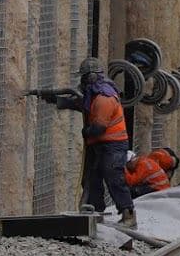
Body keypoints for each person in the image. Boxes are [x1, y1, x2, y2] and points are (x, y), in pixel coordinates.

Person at [54, 57, 136, 227]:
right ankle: (95, 213)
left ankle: (128, 215)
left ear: (90, 77)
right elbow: (81, 105)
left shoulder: (104, 98)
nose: (82, 81)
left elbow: (99, 128)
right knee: (91, 179)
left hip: (113, 145)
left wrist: (86, 131)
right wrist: (57, 101)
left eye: (83, 77)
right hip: (100, 144)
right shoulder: (93, 96)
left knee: (114, 178)